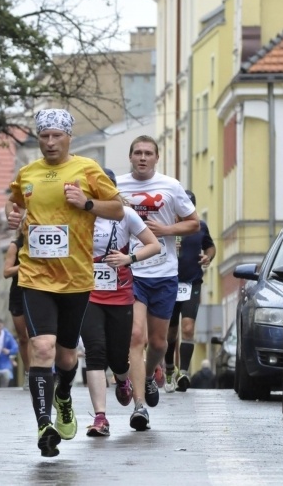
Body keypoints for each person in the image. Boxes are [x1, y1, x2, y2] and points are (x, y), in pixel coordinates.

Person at [6, 108, 123, 457]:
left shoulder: (88, 170)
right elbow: (16, 208)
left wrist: (86, 203)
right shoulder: (26, 174)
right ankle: (44, 424)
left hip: (75, 278)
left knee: (67, 357)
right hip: (35, 275)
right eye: (44, 136)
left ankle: (63, 395)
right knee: (41, 348)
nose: (50, 142)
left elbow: (118, 209)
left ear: (69, 137)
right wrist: (15, 216)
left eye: (57, 135)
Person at [116, 135, 200, 431]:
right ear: (130, 157)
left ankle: (151, 374)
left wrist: (166, 229)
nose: (142, 158)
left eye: (148, 153)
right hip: (131, 272)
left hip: (164, 271)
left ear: (156, 157)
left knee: (159, 342)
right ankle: (140, 407)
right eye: (137, 152)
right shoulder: (117, 186)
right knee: (135, 337)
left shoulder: (171, 186)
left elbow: (194, 223)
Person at [80, 168, 161, 436]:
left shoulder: (126, 215)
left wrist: (129, 259)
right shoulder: (80, 214)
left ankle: (123, 379)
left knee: (118, 357)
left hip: (120, 293)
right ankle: (100, 417)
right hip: (88, 292)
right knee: (95, 351)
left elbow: (153, 245)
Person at [164, 190, 216, 393]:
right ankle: (169, 368)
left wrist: (208, 257)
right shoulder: (166, 226)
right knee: (169, 332)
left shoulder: (200, 227)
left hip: (191, 282)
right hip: (167, 283)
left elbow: (210, 247)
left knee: (187, 328)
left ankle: (183, 372)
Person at [3, 222, 31, 390]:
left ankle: (41, 372)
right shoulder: (16, 245)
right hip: (19, 292)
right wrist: (24, 266)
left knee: (37, 336)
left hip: (39, 290)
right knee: (23, 337)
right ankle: (28, 372)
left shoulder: (43, 244)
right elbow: (6, 272)